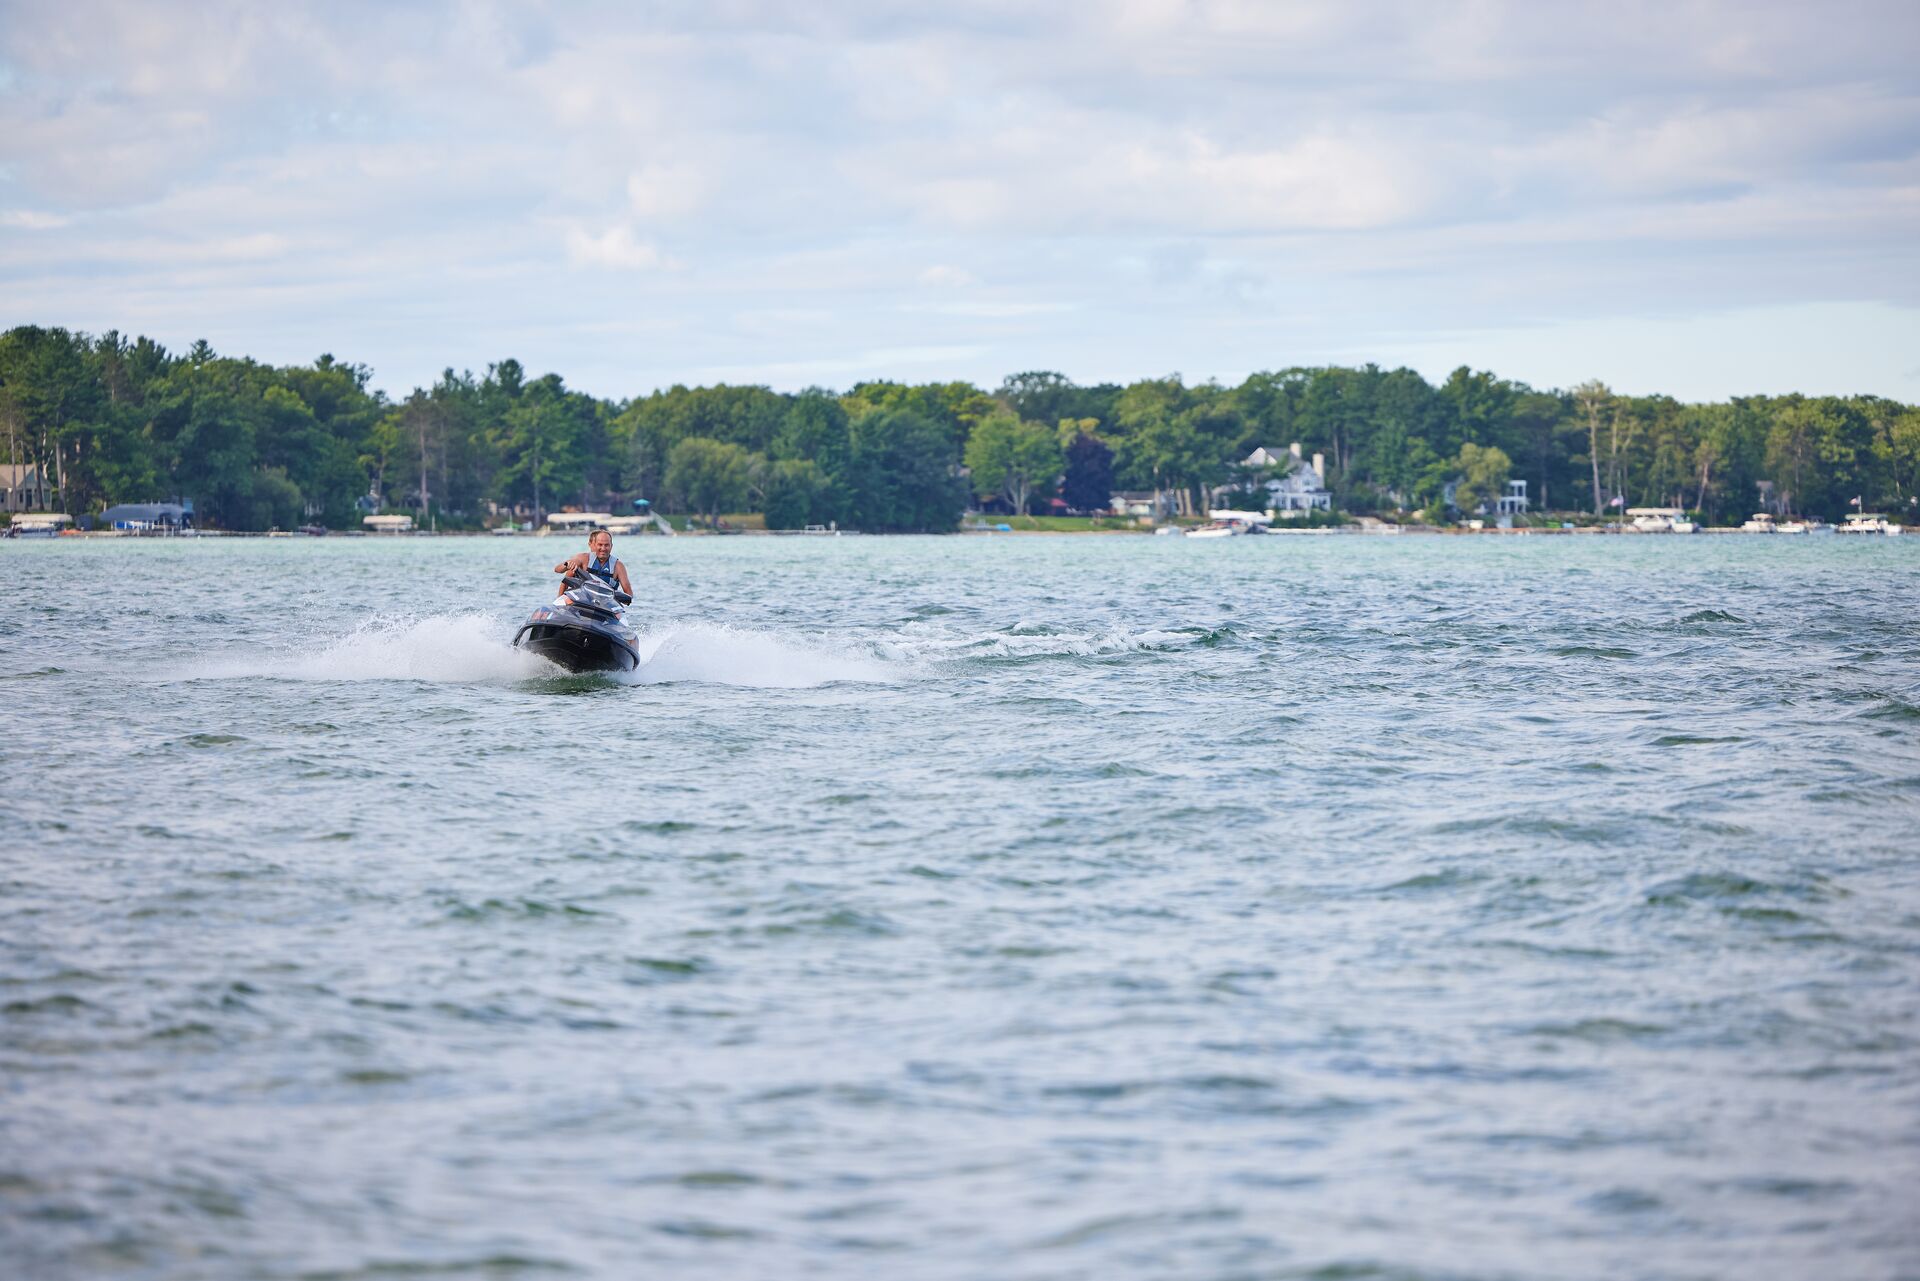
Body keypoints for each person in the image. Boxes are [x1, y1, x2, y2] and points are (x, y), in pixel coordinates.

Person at [553, 528, 633, 597]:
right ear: (594, 545)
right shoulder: (583, 559)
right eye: (600, 545)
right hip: (582, 601)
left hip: (605, 605)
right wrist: (566, 565)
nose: (603, 548)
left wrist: (620, 597)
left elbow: (629, 594)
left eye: (606, 545)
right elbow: (557, 570)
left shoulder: (618, 566)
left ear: (611, 546)